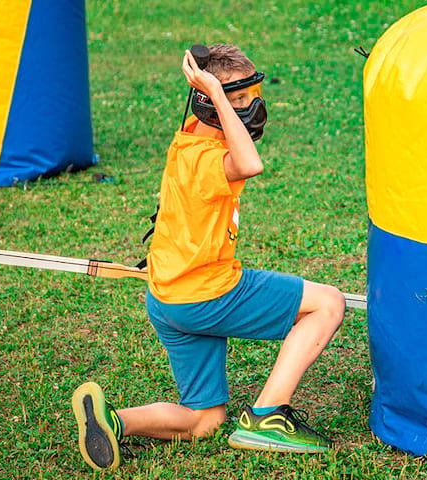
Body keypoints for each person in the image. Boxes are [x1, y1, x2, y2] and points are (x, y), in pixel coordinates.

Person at [71, 44, 345, 471]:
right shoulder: (206, 158)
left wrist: (216, 91)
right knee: (328, 303)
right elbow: (249, 164)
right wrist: (219, 93)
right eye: (239, 101)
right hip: (206, 294)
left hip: (167, 301)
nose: (252, 107)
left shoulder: (191, 136)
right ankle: (267, 415)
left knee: (205, 421)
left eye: (252, 95)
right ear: (210, 104)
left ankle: (114, 422)